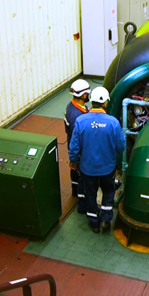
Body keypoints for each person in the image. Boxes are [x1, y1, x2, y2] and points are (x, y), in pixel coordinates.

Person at [68, 87, 125, 233]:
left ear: (92, 101)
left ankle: (93, 222)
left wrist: (73, 160)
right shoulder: (113, 123)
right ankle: (106, 219)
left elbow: (74, 146)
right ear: (106, 103)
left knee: (91, 193)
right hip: (107, 168)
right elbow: (121, 146)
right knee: (108, 191)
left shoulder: (81, 121)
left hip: (88, 168)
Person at [64, 79, 90, 214]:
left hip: (72, 145)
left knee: (74, 170)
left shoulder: (72, 106)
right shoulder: (76, 115)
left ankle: (74, 190)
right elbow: (77, 138)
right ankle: (81, 200)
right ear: (84, 95)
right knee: (80, 173)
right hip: (79, 150)